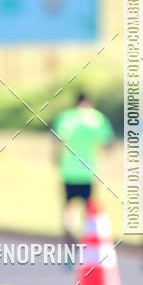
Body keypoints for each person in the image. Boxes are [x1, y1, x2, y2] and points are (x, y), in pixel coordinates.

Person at [52, 92, 114, 243]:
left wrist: (57, 159)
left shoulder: (67, 117)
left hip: (69, 170)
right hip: (89, 170)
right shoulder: (96, 118)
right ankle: (86, 243)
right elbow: (109, 142)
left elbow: (59, 140)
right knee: (88, 210)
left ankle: (70, 241)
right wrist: (100, 155)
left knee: (69, 209)